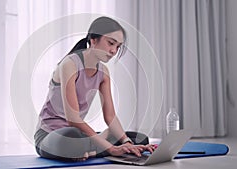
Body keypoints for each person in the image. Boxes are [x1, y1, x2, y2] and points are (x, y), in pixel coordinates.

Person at [34, 16, 155, 161]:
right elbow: (73, 119)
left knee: (139, 140)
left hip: (80, 135)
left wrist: (126, 142)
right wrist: (110, 147)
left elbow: (110, 116)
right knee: (72, 137)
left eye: (118, 46)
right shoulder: (70, 64)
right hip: (51, 136)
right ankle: (95, 148)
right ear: (93, 40)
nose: (113, 51)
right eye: (111, 43)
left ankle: (89, 150)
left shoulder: (103, 72)